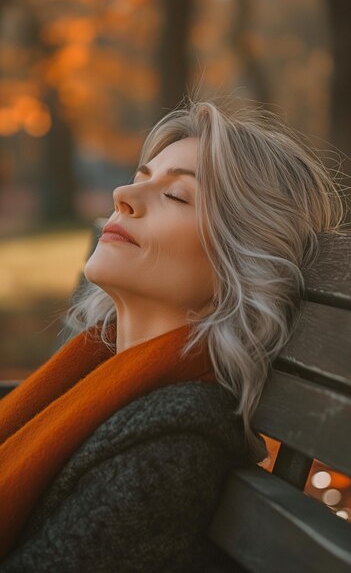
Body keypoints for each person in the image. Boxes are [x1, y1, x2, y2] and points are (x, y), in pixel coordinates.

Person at [0, 97, 346, 572]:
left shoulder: (172, 443)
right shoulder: (90, 378)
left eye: (177, 195)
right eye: (141, 179)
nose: (122, 194)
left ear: (239, 263)